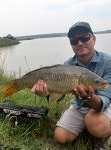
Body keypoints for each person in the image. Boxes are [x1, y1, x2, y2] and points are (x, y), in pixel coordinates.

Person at [31, 21, 111, 149]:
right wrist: (47, 93)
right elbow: (60, 96)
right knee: (60, 136)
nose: (79, 43)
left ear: (94, 39)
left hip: (103, 107)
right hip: (79, 106)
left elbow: (105, 99)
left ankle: (101, 136)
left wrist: (89, 97)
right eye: (74, 41)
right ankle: (86, 130)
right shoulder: (68, 64)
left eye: (84, 38)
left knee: (94, 122)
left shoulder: (108, 62)